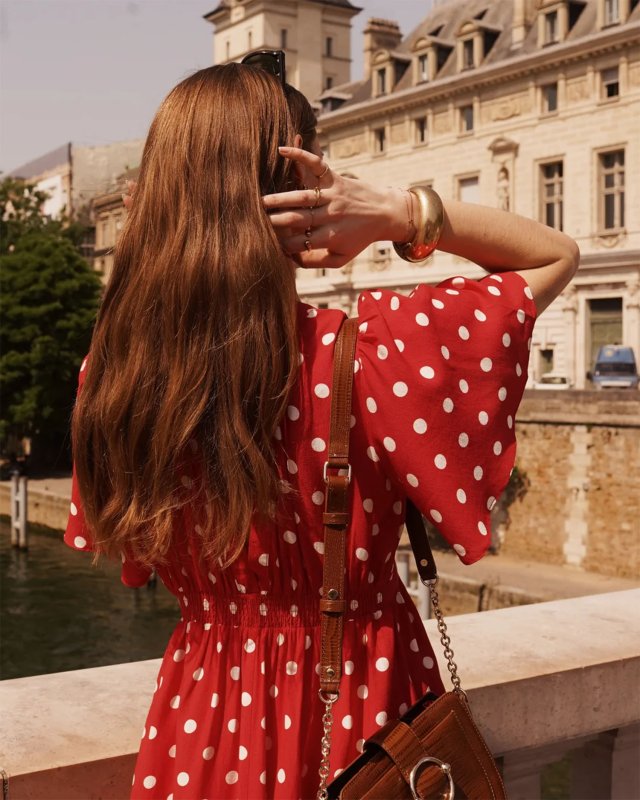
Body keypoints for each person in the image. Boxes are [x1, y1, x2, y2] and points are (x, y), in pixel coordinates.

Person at [64, 61, 579, 800]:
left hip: (201, 723)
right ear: (300, 191)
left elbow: (124, 548)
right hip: (364, 712)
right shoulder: (368, 353)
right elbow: (554, 254)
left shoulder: (114, 372)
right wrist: (401, 214)